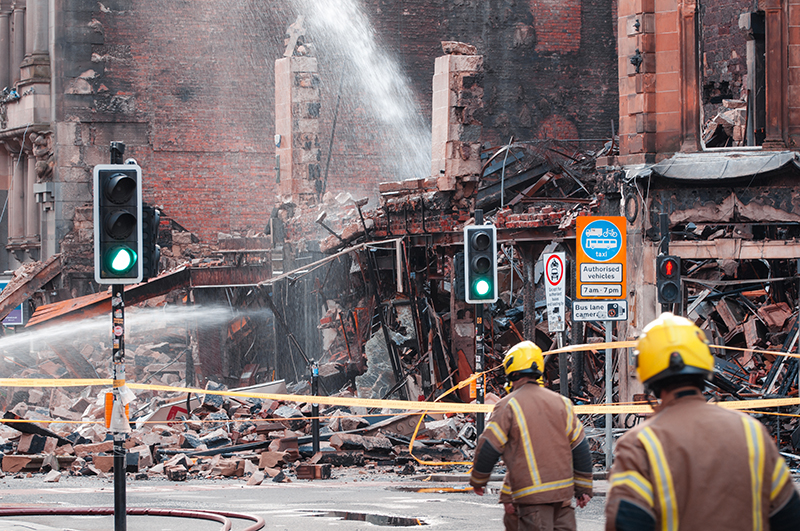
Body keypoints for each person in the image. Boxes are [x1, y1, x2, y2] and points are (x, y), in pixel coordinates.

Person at [606, 313, 800, 530]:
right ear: (706, 364)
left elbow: (626, 523)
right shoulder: (750, 431)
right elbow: (788, 516)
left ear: (646, 372)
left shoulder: (639, 444)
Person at [470, 340, 593, 530]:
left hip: (532, 501)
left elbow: (489, 446)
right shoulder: (563, 403)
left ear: (511, 370)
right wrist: (584, 488)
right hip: (563, 499)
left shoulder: (507, 405)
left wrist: (479, 480)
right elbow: (580, 447)